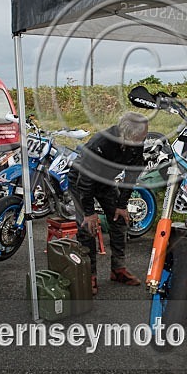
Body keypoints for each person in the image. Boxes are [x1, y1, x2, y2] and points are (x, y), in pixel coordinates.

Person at [68, 112, 149, 295]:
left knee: (119, 220)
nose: (144, 139)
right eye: (141, 136)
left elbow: (132, 174)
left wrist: (122, 205)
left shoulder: (137, 141)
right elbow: (85, 182)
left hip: (106, 182)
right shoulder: (101, 143)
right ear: (128, 134)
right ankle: (89, 275)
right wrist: (89, 212)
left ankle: (118, 269)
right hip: (81, 182)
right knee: (87, 227)